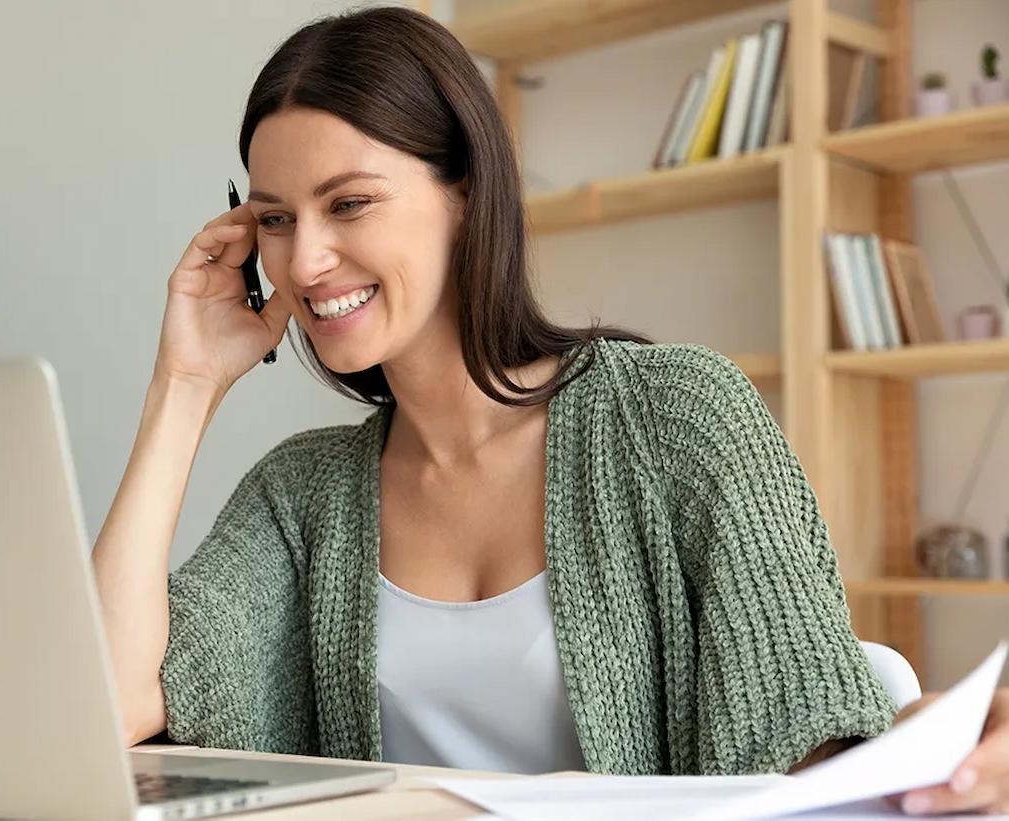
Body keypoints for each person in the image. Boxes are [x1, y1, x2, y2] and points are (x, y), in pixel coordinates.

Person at [91, 6, 1009, 815]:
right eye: (278, 219)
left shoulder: (679, 418)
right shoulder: (302, 495)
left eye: (351, 203)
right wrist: (185, 387)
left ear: (465, 193)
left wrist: (928, 738)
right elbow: (107, 707)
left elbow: (808, 739)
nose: (307, 261)